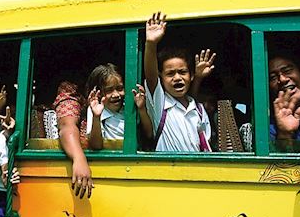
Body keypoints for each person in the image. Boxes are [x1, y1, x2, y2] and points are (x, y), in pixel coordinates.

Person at [143, 12, 213, 152]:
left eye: (182, 72)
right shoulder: (160, 104)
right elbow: (151, 76)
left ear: (191, 75)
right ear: (161, 78)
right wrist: (151, 44)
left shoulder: (198, 110)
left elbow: (205, 146)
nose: (177, 78)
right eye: (170, 74)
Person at [85, 63, 153, 150]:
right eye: (109, 90)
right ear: (98, 93)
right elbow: (96, 146)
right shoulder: (94, 110)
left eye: (120, 88)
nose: (116, 94)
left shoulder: (129, 107)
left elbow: (149, 134)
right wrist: (96, 117)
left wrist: (141, 108)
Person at [268, 53, 300, 142]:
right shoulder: (269, 129)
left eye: (287, 71)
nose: (282, 79)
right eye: (273, 77)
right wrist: (284, 134)